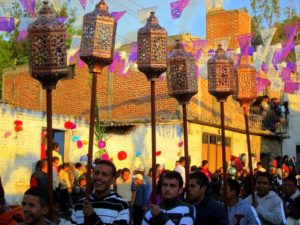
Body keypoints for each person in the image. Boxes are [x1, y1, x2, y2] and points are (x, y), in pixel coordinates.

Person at [71, 160, 129, 225]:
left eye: (104, 174)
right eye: (96, 173)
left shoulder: (121, 205)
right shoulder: (79, 204)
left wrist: (92, 216)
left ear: (112, 180)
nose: (99, 177)